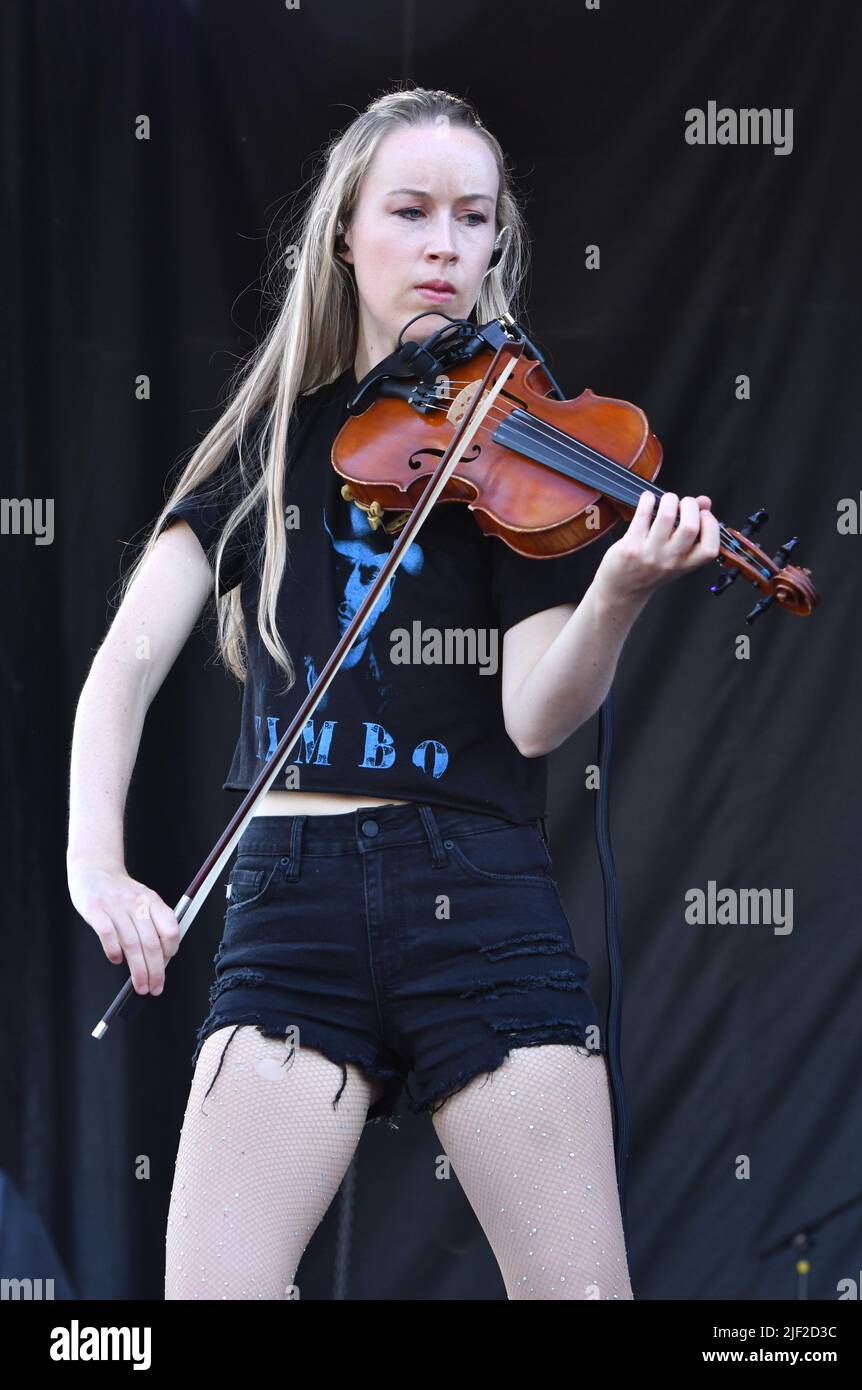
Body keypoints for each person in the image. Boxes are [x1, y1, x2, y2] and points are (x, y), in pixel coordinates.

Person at [67, 84, 720, 1302]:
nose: (443, 246)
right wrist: (93, 863)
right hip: (288, 905)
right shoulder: (268, 441)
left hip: (476, 887)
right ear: (344, 235)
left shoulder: (524, 447)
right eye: (411, 211)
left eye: (472, 220)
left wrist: (618, 590)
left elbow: (533, 714)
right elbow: (129, 659)